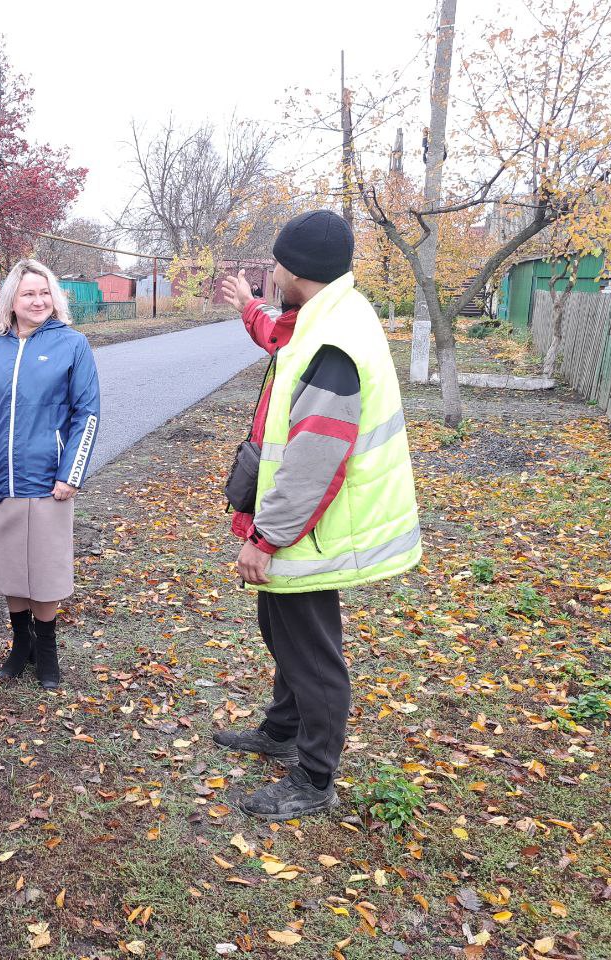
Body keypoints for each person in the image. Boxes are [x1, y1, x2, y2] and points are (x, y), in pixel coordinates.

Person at [214, 209, 421, 820]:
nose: (271, 270)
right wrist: (250, 308)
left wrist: (266, 538)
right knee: (283, 629)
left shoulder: (334, 343)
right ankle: (282, 730)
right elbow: (281, 336)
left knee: (312, 652)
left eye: (275, 261)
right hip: (311, 524)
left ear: (294, 270)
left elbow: (312, 458)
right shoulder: (327, 313)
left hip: (317, 527)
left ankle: (313, 776)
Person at [0, 259, 100, 690]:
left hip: (49, 479)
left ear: (54, 298)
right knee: (10, 569)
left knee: (46, 570)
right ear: (11, 302)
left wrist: (71, 472)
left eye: (44, 293)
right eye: (28, 294)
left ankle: (48, 649)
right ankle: (22, 645)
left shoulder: (73, 345)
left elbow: (86, 415)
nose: (38, 301)